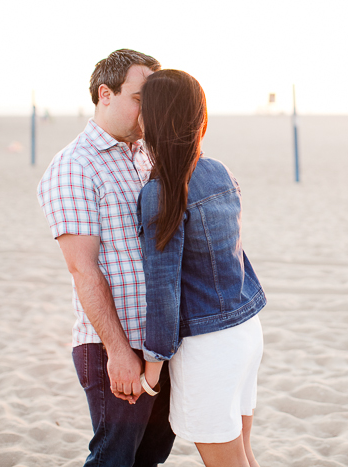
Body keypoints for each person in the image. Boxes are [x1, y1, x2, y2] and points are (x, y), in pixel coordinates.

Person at [36, 49, 175, 467]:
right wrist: (118, 352)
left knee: (152, 453)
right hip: (113, 344)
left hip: (158, 343)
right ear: (105, 94)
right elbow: (84, 269)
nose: (147, 110)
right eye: (139, 98)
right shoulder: (73, 167)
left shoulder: (145, 156)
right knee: (114, 456)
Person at [134, 70, 266, 467]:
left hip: (209, 348)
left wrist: (151, 372)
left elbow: (163, 291)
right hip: (246, 333)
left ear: (151, 119)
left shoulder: (160, 192)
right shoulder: (218, 171)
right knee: (244, 456)